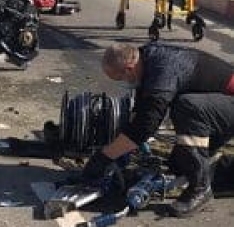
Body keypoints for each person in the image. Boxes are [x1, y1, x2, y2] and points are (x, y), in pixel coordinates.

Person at [82, 42, 234, 217]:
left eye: (120, 78)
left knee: (187, 106)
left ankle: (200, 188)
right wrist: (118, 146)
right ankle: (216, 166)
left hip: (225, 106)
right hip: (221, 108)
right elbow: (141, 112)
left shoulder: (163, 71)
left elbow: (146, 126)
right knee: (180, 165)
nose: (124, 83)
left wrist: (105, 156)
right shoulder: (147, 60)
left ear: (129, 69)